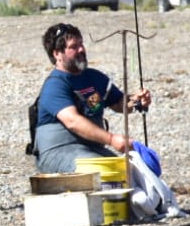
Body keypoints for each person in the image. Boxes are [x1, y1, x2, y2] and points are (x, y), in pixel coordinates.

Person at [32, 22, 151, 173]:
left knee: (133, 171)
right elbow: (73, 121)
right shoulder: (55, 85)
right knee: (105, 173)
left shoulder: (94, 77)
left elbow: (118, 103)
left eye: (81, 44)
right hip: (58, 152)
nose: (81, 49)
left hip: (91, 148)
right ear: (57, 54)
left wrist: (136, 100)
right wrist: (112, 140)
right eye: (73, 47)